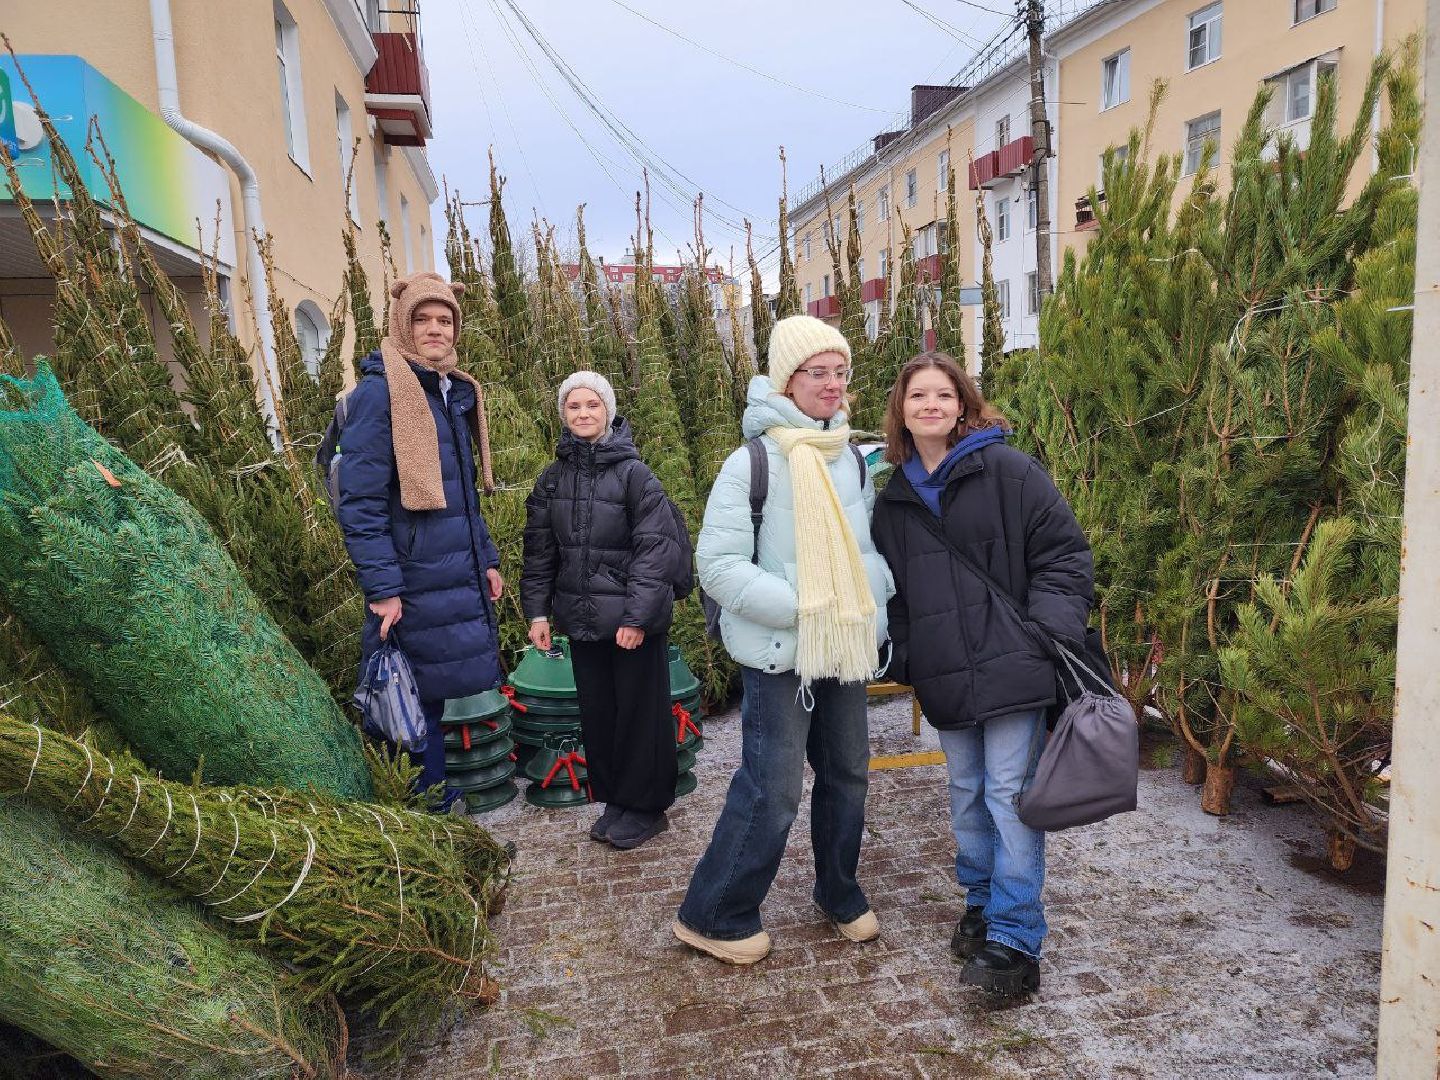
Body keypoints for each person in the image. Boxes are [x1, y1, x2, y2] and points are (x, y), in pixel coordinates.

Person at [870, 352, 1093, 996]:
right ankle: (980, 902)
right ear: (902, 412)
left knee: (1009, 796)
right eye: (918, 397)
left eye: (943, 395)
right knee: (966, 794)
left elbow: (1064, 553)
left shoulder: (1007, 470)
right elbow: (897, 598)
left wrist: (1046, 633)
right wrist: (909, 656)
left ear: (962, 404)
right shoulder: (894, 500)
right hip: (945, 672)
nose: (931, 405)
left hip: (1015, 666)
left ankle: (1016, 937)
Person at [673, 315, 894, 965]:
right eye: (816, 372)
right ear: (784, 381)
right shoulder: (752, 462)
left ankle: (838, 889)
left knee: (849, 774)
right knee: (772, 788)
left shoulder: (851, 455)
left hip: (843, 645)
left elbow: (869, 547)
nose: (832, 384)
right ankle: (714, 912)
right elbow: (715, 566)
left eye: (839, 372)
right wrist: (803, 607)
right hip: (780, 653)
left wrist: (869, 597)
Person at [335, 271, 504, 812]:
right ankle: (423, 805)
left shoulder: (447, 391)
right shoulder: (381, 395)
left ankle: (433, 794)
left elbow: (463, 497)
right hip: (410, 577)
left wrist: (488, 559)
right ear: (402, 325)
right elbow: (358, 503)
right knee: (411, 694)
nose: (435, 330)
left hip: (448, 567)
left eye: (445, 320)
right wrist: (382, 586)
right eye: (423, 320)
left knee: (430, 690)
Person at [521, 371, 688, 850]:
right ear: (563, 414)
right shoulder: (552, 480)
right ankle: (617, 797)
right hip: (582, 619)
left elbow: (655, 552)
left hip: (631, 621)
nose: (583, 414)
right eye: (573, 407)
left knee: (641, 714)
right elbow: (539, 552)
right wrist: (538, 614)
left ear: (608, 411)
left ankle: (647, 806)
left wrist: (637, 618)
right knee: (601, 714)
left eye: (592, 405)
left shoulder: (636, 475)